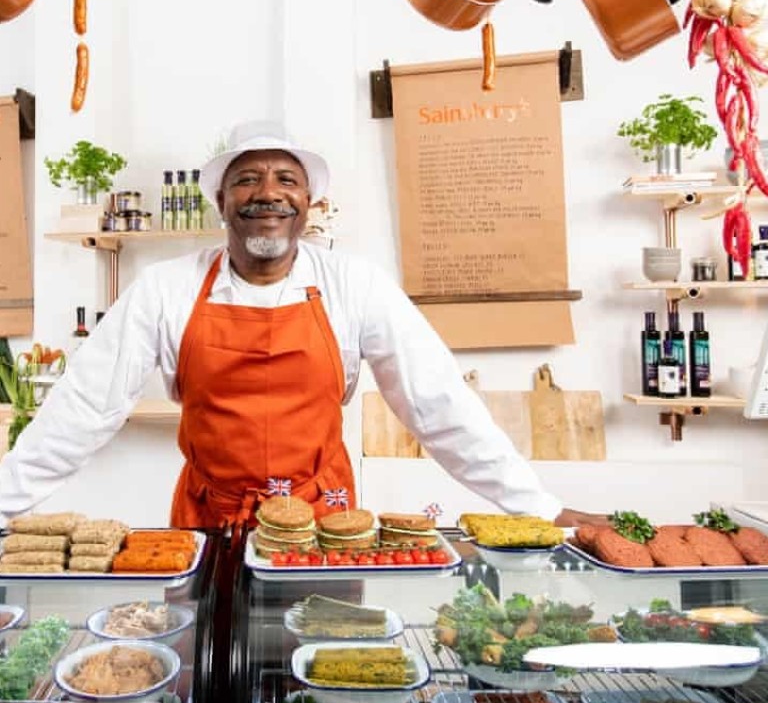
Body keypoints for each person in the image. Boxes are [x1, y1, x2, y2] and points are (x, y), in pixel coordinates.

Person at [0, 121, 606, 529]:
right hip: (207, 523)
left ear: (309, 201)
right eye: (247, 179)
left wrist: (541, 510)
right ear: (221, 201)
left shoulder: (354, 284)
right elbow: (81, 408)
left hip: (325, 522)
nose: (268, 194)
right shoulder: (165, 288)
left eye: (286, 180)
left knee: (322, 686)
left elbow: (440, 404)